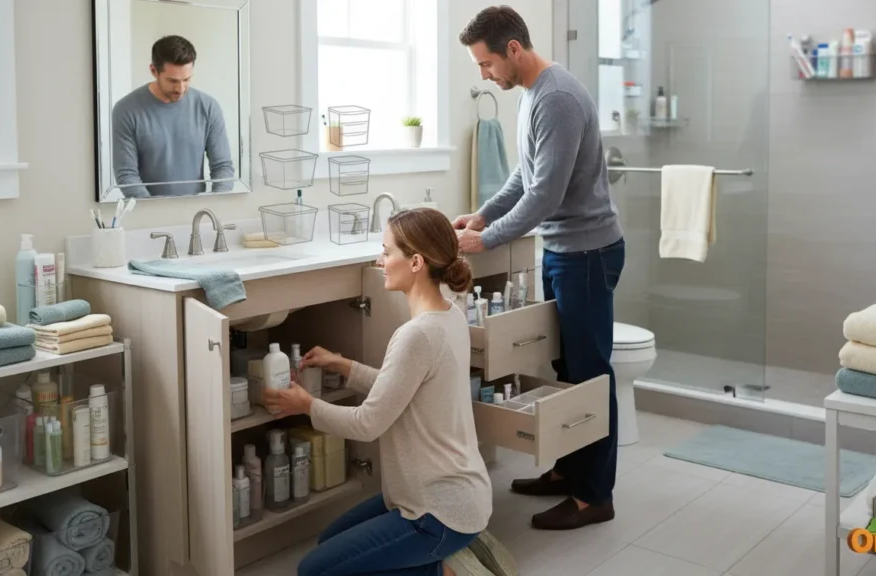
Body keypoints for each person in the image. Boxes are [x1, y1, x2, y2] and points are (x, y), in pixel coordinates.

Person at [263, 208, 507, 576]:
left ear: (415, 263)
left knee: (315, 570)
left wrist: (306, 405)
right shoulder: (450, 315)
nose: (380, 260)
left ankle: (444, 571)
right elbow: (404, 389)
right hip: (453, 494)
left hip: (438, 512)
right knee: (329, 542)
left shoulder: (416, 335)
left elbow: (367, 423)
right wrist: (345, 366)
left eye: (386, 251)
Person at [455, 6, 626, 531]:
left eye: (486, 64)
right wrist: (483, 213)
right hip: (563, 252)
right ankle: (567, 472)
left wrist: (486, 240)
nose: (484, 75)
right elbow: (524, 177)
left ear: (512, 49)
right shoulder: (531, 94)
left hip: (588, 254)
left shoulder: (557, 97)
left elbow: (546, 196)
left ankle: (594, 496)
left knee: (591, 373)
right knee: (567, 370)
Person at [110, 35, 234, 198]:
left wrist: (217, 203)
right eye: (172, 81)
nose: (181, 88)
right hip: (148, 215)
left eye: (186, 79)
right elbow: (126, 175)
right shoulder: (126, 110)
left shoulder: (208, 107)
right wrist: (156, 211)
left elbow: (222, 167)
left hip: (198, 212)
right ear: (154, 71)